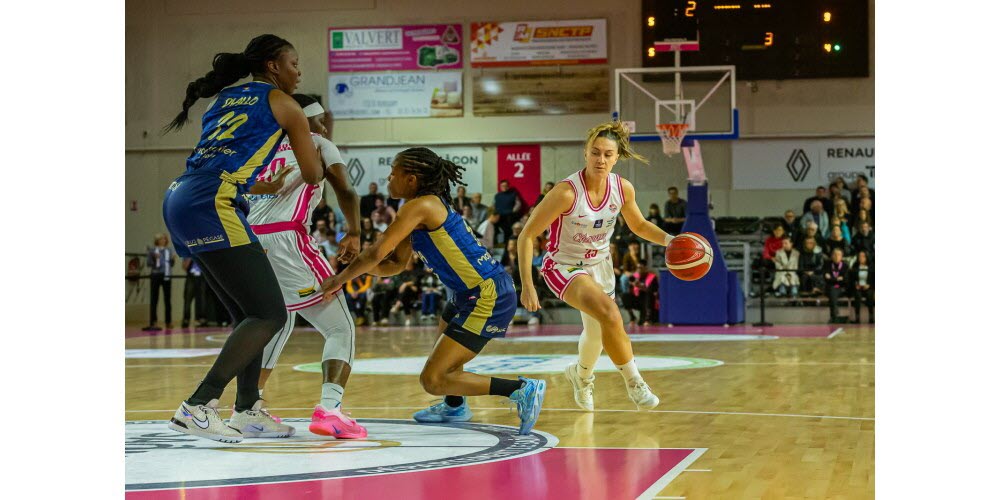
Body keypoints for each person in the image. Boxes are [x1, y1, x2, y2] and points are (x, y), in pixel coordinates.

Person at [321, 147, 545, 435]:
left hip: (487, 294)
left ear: (412, 179)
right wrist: (360, 265)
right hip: (464, 294)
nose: (388, 180)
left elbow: (376, 252)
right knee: (443, 367)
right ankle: (455, 406)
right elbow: (394, 264)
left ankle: (520, 389)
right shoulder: (416, 210)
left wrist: (340, 278)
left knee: (433, 379)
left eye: (393, 174)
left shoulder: (420, 206)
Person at [161, 34, 319, 442]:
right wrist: (313, 137)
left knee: (249, 314)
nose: (299, 72)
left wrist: (259, 184)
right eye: (295, 63)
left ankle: (247, 408)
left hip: (182, 196)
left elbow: (225, 154)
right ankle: (198, 404)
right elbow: (314, 173)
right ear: (273, 67)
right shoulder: (285, 105)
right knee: (271, 314)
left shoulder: (222, 100)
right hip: (213, 202)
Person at [517, 120, 669, 413]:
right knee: (611, 313)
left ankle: (581, 376)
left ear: (617, 156)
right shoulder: (566, 192)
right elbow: (527, 235)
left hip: (600, 264)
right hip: (564, 266)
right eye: (595, 153)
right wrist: (527, 285)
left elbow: (638, 225)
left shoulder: (622, 188)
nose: (601, 160)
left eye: (608, 154)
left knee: (599, 332)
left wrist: (671, 240)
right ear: (585, 153)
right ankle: (634, 381)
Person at [245, 94, 366, 439]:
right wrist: (355, 232)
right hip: (289, 241)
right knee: (340, 328)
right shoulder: (317, 143)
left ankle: (248, 409)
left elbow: (248, 189)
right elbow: (346, 189)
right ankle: (330, 409)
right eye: (320, 121)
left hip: (254, 242)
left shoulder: (264, 149)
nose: (325, 127)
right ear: (306, 122)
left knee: (277, 323)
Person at [144, 233, 176, 331]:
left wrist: (172, 260)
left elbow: (171, 264)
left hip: (166, 275)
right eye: (161, 239)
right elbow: (149, 263)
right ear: (157, 240)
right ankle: (153, 321)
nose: (163, 240)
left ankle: (168, 321)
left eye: (164, 239)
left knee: (167, 300)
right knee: (154, 299)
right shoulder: (153, 250)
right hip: (155, 275)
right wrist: (155, 258)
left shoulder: (169, 250)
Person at [823, 248, 850, 323]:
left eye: (838, 254)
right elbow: (825, 278)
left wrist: (832, 278)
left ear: (842, 256)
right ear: (831, 256)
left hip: (842, 288)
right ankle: (835, 316)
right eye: (834, 254)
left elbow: (845, 280)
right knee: (832, 290)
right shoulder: (827, 265)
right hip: (830, 288)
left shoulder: (845, 266)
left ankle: (834, 316)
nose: (836, 256)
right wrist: (837, 279)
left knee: (833, 290)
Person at [180, 257, 207, 328]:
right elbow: (184, 267)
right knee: (187, 298)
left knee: (202, 299)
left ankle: (201, 319)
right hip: (191, 277)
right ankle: (186, 319)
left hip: (202, 277)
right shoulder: (188, 253)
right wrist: (189, 259)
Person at [850, 250, 874, 324]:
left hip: (868, 286)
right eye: (859, 256)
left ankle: (871, 317)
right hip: (858, 287)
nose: (861, 258)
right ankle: (857, 317)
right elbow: (851, 279)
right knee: (857, 296)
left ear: (867, 257)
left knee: (870, 295)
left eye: (863, 256)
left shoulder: (872, 266)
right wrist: (855, 285)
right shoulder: (855, 266)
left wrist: (869, 285)